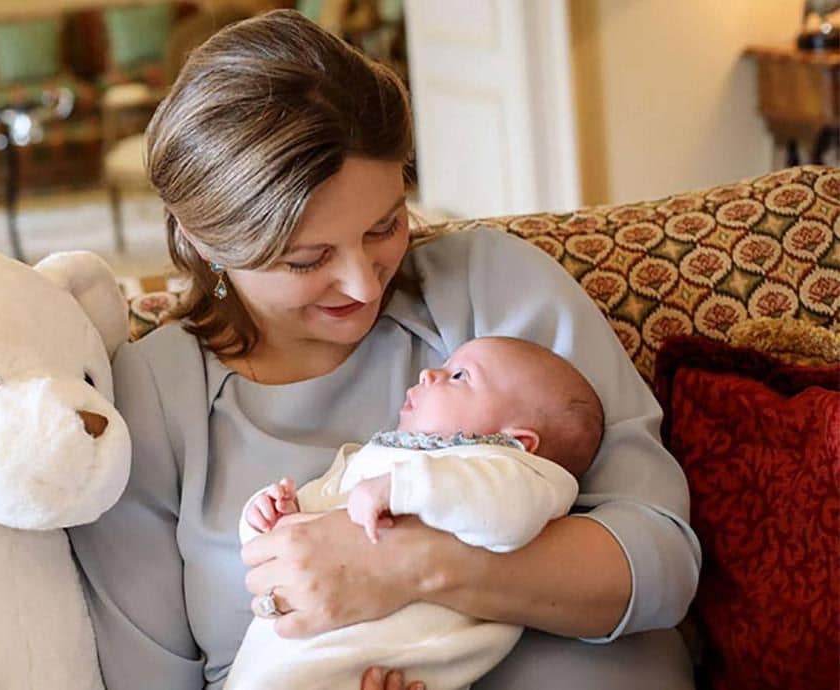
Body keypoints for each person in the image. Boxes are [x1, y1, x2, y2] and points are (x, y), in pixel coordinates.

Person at [69, 10, 700, 690]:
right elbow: (145, 678)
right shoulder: (155, 400)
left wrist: (409, 566)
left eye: (384, 226)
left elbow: (660, 565)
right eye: (305, 259)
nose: (363, 283)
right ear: (202, 240)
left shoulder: (487, 290)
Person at [228, 336, 602, 690]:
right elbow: (285, 545)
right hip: (274, 662)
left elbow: (510, 518)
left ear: (518, 440)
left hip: (355, 666)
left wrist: (403, 487)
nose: (429, 374)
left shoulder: (511, 471)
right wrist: (272, 513)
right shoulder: (373, 456)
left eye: (460, 376)